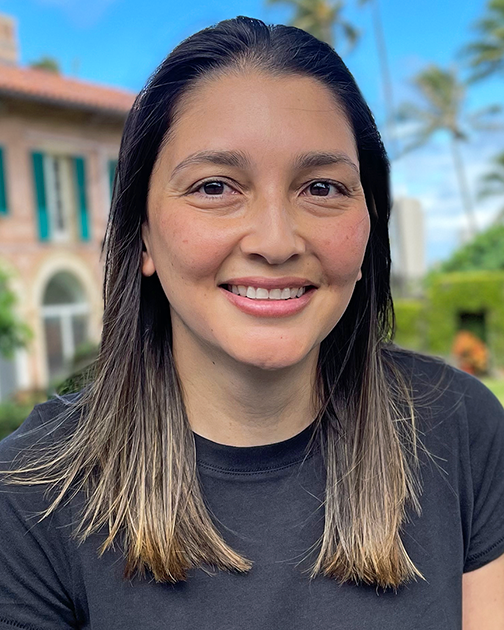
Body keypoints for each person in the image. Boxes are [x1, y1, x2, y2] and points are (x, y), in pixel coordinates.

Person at [0, 16, 503, 630]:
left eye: (322, 187)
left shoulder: (462, 430)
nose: (275, 240)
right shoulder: (29, 497)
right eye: (215, 187)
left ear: (370, 226)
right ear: (143, 235)